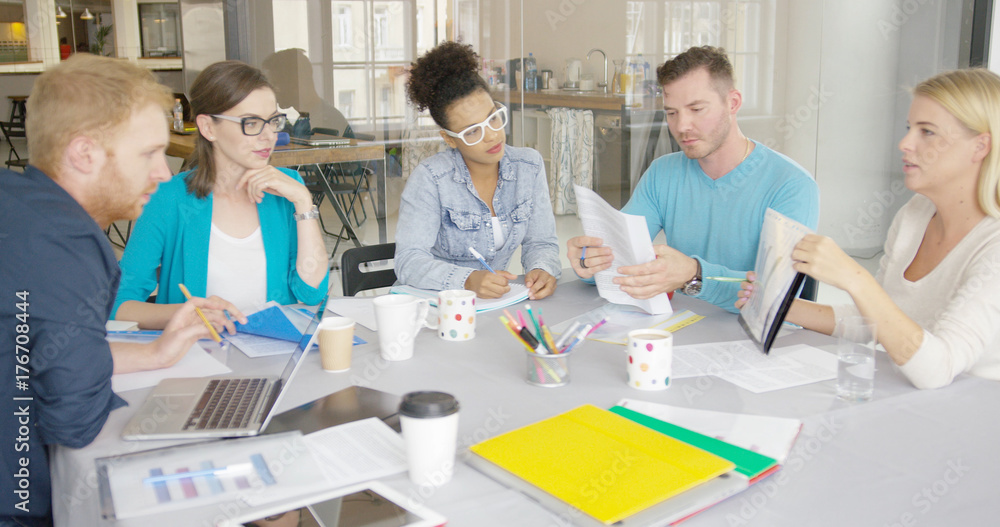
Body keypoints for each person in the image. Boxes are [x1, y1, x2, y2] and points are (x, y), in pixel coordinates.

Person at [0, 54, 232, 526]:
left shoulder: (20, 206)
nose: (164, 172)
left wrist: (155, 355)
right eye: (148, 153)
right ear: (84, 153)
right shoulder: (65, 247)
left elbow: (35, 354)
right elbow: (74, 420)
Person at [739, 68, 1000, 389]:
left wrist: (854, 277)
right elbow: (876, 321)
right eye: (909, 128)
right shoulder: (915, 215)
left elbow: (938, 369)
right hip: (910, 402)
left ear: (980, 146)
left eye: (927, 131)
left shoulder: (993, 246)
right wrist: (779, 304)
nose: (905, 143)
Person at [566, 46, 819, 312]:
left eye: (696, 109)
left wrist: (695, 275)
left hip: (756, 342)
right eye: (672, 113)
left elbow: (779, 300)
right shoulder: (662, 173)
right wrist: (589, 263)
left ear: (732, 103)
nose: (681, 126)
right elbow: (619, 259)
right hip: (681, 329)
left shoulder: (792, 185)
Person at [113, 61, 329, 328]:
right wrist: (190, 316)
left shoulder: (288, 187)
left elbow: (312, 293)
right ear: (208, 127)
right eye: (251, 123)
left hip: (275, 354)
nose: (269, 136)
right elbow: (118, 303)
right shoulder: (169, 198)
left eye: (273, 121)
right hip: (199, 357)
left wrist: (303, 202)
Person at [395, 42, 560, 299]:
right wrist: (467, 280)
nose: (492, 135)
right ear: (449, 138)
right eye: (472, 131)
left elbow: (541, 243)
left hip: (490, 309)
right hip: (435, 307)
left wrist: (542, 268)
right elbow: (408, 261)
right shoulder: (431, 179)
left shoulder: (529, 166)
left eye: (493, 117)